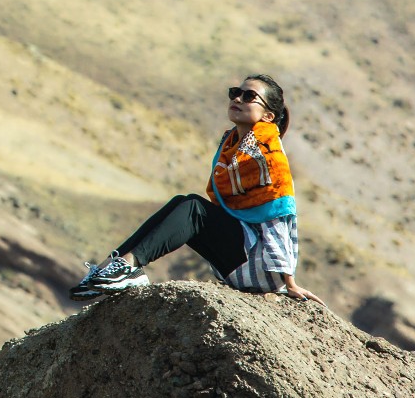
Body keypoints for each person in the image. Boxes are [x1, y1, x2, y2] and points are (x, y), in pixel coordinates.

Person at [71, 75, 320, 302]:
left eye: (248, 96)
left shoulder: (269, 154)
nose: (236, 98)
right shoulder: (234, 144)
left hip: (262, 267)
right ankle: (110, 268)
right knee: (182, 202)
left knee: (193, 208)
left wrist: (289, 281)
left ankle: (128, 268)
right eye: (235, 92)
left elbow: (279, 214)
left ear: (268, 115)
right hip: (240, 255)